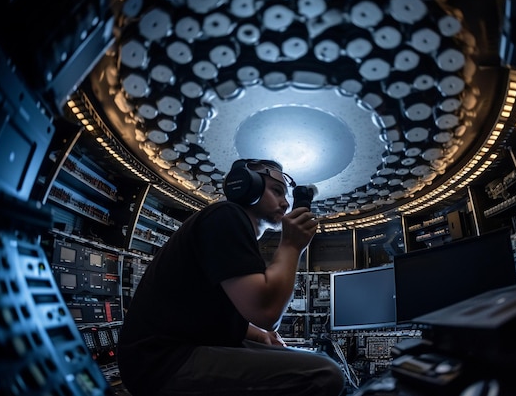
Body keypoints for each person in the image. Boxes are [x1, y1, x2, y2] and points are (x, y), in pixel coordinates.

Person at [117, 158, 346, 396]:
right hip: (162, 363)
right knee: (323, 375)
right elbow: (266, 311)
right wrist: (291, 245)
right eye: (277, 191)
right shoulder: (226, 215)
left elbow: (207, 314)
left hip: (164, 356)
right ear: (246, 186)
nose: (285, 203)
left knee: (309, 361)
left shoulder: (225, 227)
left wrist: (261, 336)